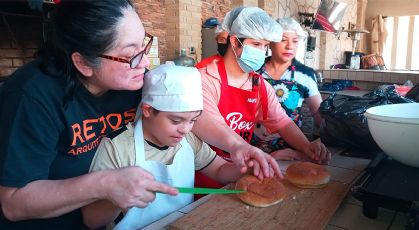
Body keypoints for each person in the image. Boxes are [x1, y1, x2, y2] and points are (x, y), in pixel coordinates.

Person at [0, 1, 278, 228]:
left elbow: (183, 112)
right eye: (131, 54)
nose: (144, 62)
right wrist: (104, 184)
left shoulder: (129, 78)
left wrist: (237, 145)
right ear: (83, 62)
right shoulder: (31, 98)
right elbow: (14, 202)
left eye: (144, 45)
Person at [82, 64, 244, 229]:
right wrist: (116, 197)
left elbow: (219, 169)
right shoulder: (117, 147)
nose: (185, 129)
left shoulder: (188, 139)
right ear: (147, 110)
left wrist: (248, 169)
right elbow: (91, 220)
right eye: (176, 120)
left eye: (193, 120)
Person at [192, 7, 331, 189]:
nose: (262, 52)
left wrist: (306, 146)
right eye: (256, 44)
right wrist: (241, 147)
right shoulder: (204, 78)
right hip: (204, 174)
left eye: (265, 46)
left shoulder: (259, 85)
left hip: (241, 171)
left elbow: (281, 121)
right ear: (234, 42)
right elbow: (208, 123)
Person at [251, 17, 328, 157]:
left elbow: (320, 117)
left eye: (295, 41)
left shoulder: (305, 75)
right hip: (251, 148)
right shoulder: (253, 70)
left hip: (290, 150)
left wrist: (320, 142)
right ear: (270, 42)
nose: (290, 46)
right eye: (283, 39)